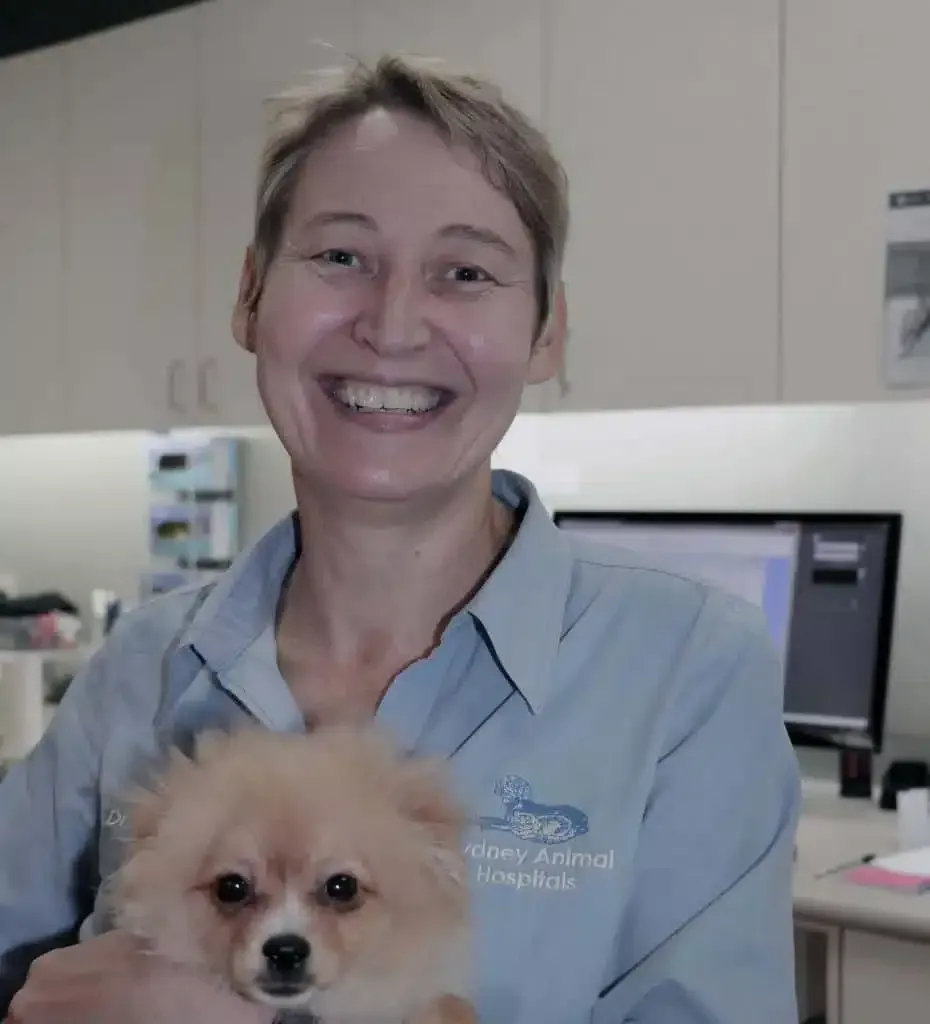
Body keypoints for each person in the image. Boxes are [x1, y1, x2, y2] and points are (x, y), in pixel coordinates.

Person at [0, 55, 800, 1023]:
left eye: (465, 272)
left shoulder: (688, 674)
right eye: (342, 257)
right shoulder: (141, 666)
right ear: (251, 297)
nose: (391, 324)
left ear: (547, 333)